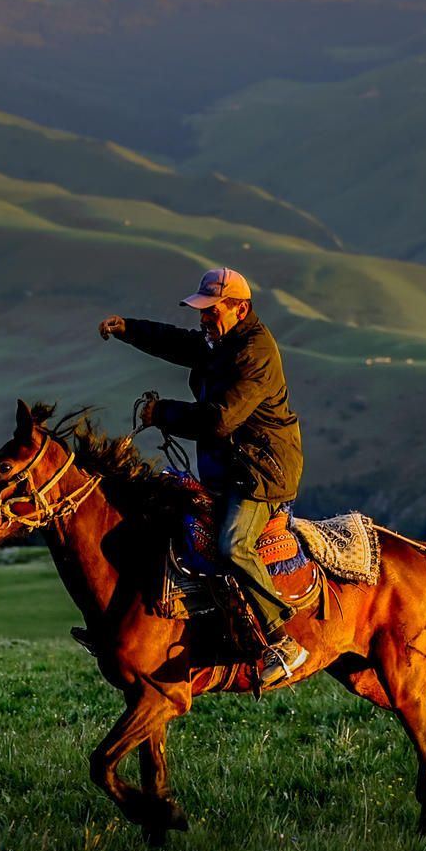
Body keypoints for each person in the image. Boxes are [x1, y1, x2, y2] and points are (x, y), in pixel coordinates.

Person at [98, 266, 308, 688]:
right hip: (230, 467)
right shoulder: (221, 341)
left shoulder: (254, 353)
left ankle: (281, 641)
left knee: (232, 545)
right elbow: (180, 343)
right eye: (202, 311)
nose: (204, 318)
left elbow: (219, 421)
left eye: (212, 311)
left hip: (261, 471)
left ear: (239, 308)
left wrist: (165, 413)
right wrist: (129, 329)